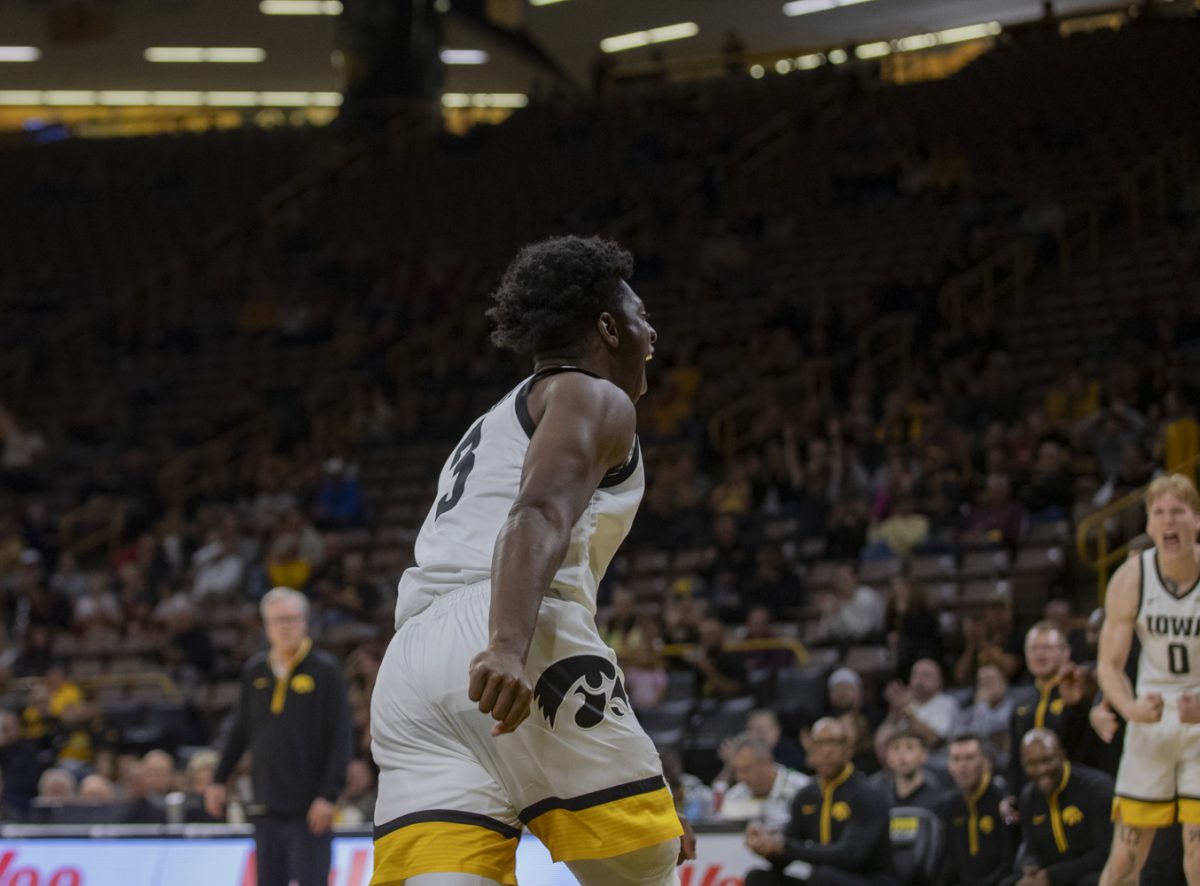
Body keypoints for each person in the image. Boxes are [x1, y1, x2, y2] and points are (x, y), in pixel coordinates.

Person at [368, 237, 690, 886]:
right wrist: (507, 645)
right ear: (606, 326)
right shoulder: (593, 396)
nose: (650, 331)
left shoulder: (492, 419)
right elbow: (537, 511)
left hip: (410, 669)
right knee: (646, 862)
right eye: (639, 314)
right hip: (509, 627)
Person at [205, 587, 351, 886]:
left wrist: (329, 795)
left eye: (292, 619)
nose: (285, 627)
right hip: (265, 806)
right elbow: (239, 731)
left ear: (305, 621)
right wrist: (218, 779)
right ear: (266, 626)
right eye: (278, 620)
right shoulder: (255, 670)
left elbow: (341, 737)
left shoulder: (325, 671)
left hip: (310, 808)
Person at [1096, 474, 1200, 885]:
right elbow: (1108, 664)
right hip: (1150, 720)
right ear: (1148, 526)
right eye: (1159, 513)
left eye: (1177, 512)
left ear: (1197, 520)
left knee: (1198, 857)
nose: (1168, 521)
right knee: (1124, 860)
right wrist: (1130, 708)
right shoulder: (1131, 577)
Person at [744, 717, 895, 885]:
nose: (826, 751)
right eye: (819, 744)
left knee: (822, 877)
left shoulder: (868, 793)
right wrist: (767, 846)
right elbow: (784, 857)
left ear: (848, 749)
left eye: (833, 743)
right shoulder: (806, 795)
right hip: (826, 880)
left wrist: (784, 845)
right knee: (758, 879)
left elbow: (850, 856)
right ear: (810, 749)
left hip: (870, 880)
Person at [1005, 729, 1112, 886]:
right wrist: (1030, 864)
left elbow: (1105, 854)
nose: (1041, 769)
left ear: (1062, 755)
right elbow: (1030, 846)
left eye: (1047, 760)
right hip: (1052, 875)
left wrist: (1051, 877)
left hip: (1093, 874)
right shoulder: (1028, 797)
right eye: (1032, 764)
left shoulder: (1097, 788)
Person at [1006, 621, 1092, 797]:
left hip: (1078, 789)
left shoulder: (1082, 690)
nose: (1039, 654)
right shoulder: (1021, 702)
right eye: (1033, 648)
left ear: (1065, 651)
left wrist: (1074, 707)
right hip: (1034, 797)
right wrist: (1012, 794)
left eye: (1046, 647)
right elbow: (1015, 757)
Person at [940, 733, 1017, 886]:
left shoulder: (1004, 800)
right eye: (956, 759)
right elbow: (949, 864)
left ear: (986, 762)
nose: (962, 766)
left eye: (969, 758)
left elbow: (1010, 863)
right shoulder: (950, 805)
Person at [717, 734, 810, 828]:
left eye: (747, 769)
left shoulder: (802, 789)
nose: (741, 777)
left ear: (767, 761)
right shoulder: (734, 797)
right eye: (736, 770)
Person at [882, 658, 960, 749]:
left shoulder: (946, 703)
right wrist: (894, 711)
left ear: (939, 681)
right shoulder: (907, 702)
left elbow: (934, 740)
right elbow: (882, 741)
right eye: (915, 675)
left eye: (926, 675)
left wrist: (907, 710)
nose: (920, 680)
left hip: (935, 759)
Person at [868, 728, 945, 812]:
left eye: (909, 747)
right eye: (896, 748)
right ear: (888, 756)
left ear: (924, 754)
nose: (902, 754)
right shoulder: (876, 793)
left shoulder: (936, 796)